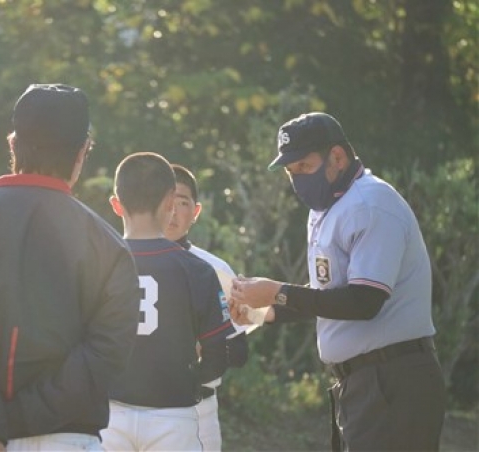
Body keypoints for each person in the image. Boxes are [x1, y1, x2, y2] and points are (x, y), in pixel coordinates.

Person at [0, 84, 142, 452]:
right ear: (82, 151)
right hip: (65, 437)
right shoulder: (107, 243)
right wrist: (10, 420)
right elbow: (105, 353)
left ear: (12, 144)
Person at [228, 112, 446, 451]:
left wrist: (278, 292)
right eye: (291, 171)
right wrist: (264, 311)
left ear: (338, 157)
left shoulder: (371, 203)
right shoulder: (328, 208)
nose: (298, 178)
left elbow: (364, 301)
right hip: (362, 382)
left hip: (393, 379)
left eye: (304, 166)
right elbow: (328, 297)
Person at [101, 152, 236, 451]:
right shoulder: (197, 269)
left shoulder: (96, 264)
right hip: (173, 416)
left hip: (110, 414)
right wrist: (188, 385)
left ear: (116, 204)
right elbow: (218, 354)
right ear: (170, 203)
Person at [164, 163, 249, 451]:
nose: (173, 211)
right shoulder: (123, 259)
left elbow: (239, 352)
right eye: (166, 201)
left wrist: (204, 346)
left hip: (198, 409)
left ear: (196, 211)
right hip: (130, 407)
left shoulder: (214, 268)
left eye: (182, 202)